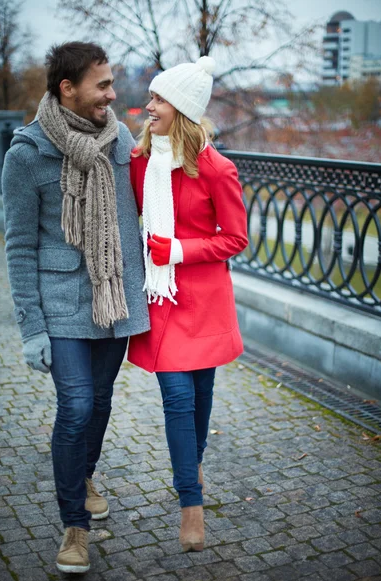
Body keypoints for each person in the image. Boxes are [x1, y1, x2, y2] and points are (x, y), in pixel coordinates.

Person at [1, 42, 149, 573]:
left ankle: (82, 473)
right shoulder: (28, 153)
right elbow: (19, 246)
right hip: (61, 304)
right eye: (103, 85)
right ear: (68, 89)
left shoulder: (120, 138)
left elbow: (151, 198)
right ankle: (75, 528)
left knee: (101, 404)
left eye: (111, 83)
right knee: (78, 408)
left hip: (113, 302)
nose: (113, 94)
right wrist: (30, 328)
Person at [128, 56, 248, 552]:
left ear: (182, 109)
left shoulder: (217, 168)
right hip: (162, 297)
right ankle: (191, 504)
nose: (148, 108)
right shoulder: (139, 162)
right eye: (151, 98)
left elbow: (235, 239)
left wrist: (179, 249)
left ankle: (190, 462)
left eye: (158, 100)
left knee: (200, 397)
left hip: (203, 299)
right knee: (177, 397)